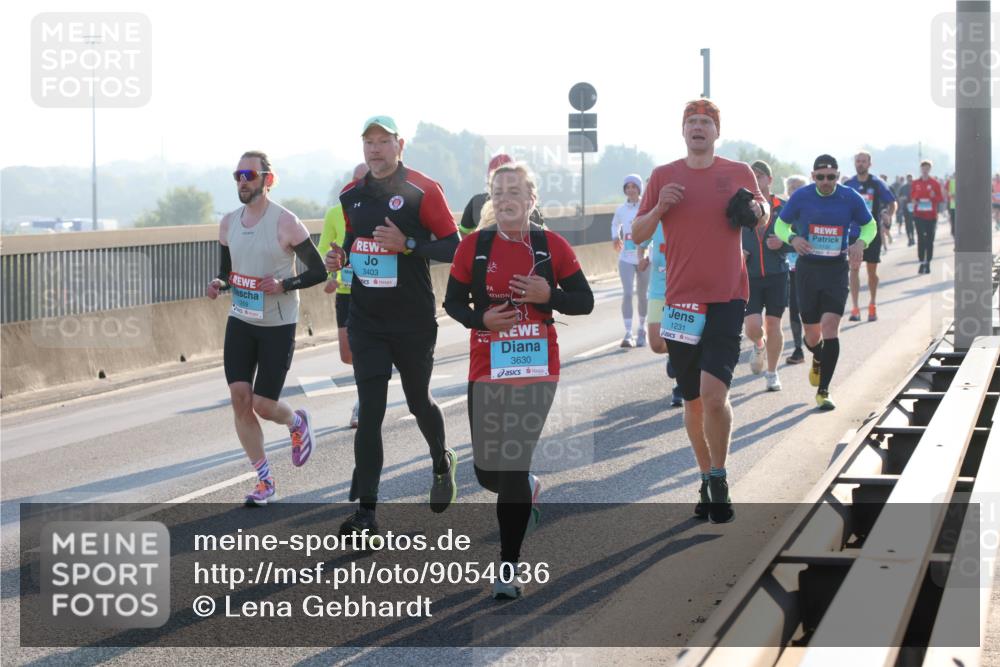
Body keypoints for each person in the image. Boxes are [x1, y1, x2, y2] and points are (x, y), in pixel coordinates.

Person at [445, 162, 594, 599]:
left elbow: (583, 301)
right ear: (491, 199)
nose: (506, 198)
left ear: (531, 199)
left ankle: (507, 570)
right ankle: (526, 487)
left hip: (536, 366)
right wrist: (482, 318)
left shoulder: (552, 246)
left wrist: (550, 296)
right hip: (487, 366)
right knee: (489, 474)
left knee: (510, 464)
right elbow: (452, 302)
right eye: (498, 191)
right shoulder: (473, 247)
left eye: (515, 191)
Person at [632, 99, 769, 524]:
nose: (698, 127)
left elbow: (762, 216)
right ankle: (705, 475)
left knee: (714, 395)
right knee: (692, 401)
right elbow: (637, 233)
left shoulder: (737, 172)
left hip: (728, 296)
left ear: (716, 131)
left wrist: (756, 209)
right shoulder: (663, 176)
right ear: (683, 130)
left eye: (705, 122)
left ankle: (720, 474)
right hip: (681, 303)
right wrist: (659, 208)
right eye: (691, 121)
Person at [325, 116, 461, 536]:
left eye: (383, 141)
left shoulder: (423, 189)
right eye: (369, 142)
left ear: (399, 145)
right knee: (371, 413)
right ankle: (367, 514)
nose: (375, 149)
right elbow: (353, 245)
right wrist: (339, 260)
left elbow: (455, 246)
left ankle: (441, 460)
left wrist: (408, 245)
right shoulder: (351, 194)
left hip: (413, 320)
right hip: (367, 320)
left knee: (419, 401)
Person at [206, 150, 326, 505]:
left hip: (277, 323)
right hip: (241, 320)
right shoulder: (228, 223)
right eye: (238, 175)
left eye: (249, 175)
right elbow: (228, 272)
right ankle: (264, 481)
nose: (243, 181)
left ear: (267, 180)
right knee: (240, 400)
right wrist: (218, 284)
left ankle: (294, 421)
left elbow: (318, 272)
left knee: (262, 404)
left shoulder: (286, 223)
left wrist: (285, 285)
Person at [775, 155, 876, 410]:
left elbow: (870, 225)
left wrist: (861, 242)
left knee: (830, 327)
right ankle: (817, 357)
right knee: (812, 335)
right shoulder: (802, 196)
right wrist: (793, 239)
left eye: (831, 177)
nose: (826, 182)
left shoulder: (850, 197)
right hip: (808, 269)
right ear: (813, 176)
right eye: (820, 177)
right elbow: (780, 225)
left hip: (836, 269)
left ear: (838, 176)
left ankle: (824, 391)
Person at [318, 163, 369, 428]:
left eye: (366, 179)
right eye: (357, 179)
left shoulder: (380, 208)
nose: (361, 184)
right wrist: (330, 277)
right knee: (347, 354)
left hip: (373, 289)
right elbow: (325, 249)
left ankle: (363, 402)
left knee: (366, 349)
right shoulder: (335, 212)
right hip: (346, 289)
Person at [742, 160, 788, 391]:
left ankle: (772, 373)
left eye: (760, 176)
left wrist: (782, 243)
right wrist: (739, 251)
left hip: (777, 274)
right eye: (752, 176)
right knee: (752, 326)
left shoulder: (783, 206)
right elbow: (728, 235)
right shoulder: (741, 207)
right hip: (750, 275)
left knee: (773, 325)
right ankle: (759, 345)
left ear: (769, 180)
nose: (756, 180)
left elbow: (799, 237)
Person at [844, 151, 897, 322]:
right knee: (853, 269)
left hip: (871, 233)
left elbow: (892, 202)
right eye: (858, 161)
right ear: (854, 163)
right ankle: (855, 307)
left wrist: (889, 214)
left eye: (863, 161)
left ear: (869, 164)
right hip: (853, 233)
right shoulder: (849, 184)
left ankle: (872, 304)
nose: (860, 164)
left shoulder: (876, 183)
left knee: (872, 272)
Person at [645, 222, 684, 406]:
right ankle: (674, 354)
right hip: (659, 290)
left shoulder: (689, 219)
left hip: (684, 290)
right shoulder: (656, 220)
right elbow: (639, 240)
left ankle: (681, 386)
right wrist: (642, 254)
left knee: (682, 339)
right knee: (657, 343)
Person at [459, 153, 545, 236]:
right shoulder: (531, 206)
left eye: (514, 192)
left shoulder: (476, 201)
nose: (504, 198)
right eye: (498, 192)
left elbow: (462, 231)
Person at [611, 173, 651, 347]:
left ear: (639, 188)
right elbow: (615, 224)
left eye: (634, 186)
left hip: (644, 258)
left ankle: (642, 329)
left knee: (642, 295)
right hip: (626, 258)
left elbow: (656, 226)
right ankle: (628, 333)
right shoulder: (621, 209)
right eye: (627, 187)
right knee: (627, 293)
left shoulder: (647, 207)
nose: (630, 190)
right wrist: (615, 237)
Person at [783, 175, 809, 364]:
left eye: (799, 187)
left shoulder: (812, 210)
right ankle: (798, 349)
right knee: (794, 307)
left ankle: (814, 340)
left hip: (812, 266)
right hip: (790, 265)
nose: (795, 191)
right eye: (792, 188)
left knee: (810, 307)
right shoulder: (781, 211)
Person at [911, 160, 946, 274]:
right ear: (921, 169)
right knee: (921, 239)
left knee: (930, 240)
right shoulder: (916, 183)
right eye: (923, 168)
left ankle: (928, 262)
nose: (925, 170)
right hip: (919, 215)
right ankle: (922, 262)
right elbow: (911, 197)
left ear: (930, 169)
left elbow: (940, 199)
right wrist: (914, 200)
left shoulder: (935, 183)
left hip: (931, 216)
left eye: (927, 168)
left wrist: (934, 196)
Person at [898, 174, 915, 246]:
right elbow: (899, 197)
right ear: (906, 179)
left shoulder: (915, 186)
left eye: (911, 179)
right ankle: (909, 239)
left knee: (911, 223)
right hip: (905, 207)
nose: (910, 181)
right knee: (907, 224)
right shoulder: (903, 187)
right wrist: (902, 198)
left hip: (913, 207)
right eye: (908, 179)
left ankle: (913, 238)